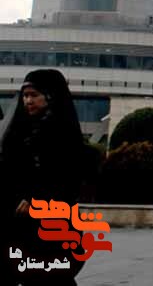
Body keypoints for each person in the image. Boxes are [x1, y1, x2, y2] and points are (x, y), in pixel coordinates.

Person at [0, 69, 86, 286]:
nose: (28, 101)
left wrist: (37, 199)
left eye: (34, 95)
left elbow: (68, 178)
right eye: (25, 95)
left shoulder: (63, 133)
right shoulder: (19, 130)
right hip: (19, 219)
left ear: (50, 96)